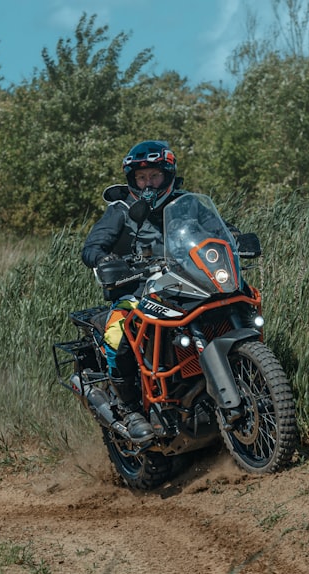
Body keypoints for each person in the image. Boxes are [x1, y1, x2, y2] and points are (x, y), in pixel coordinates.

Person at [80, 140, 187, 442]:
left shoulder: (183, 204)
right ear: (132, 181)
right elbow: (91, 248)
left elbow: (214, 231)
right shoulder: (121, 210)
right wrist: (104, 258)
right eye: (141, 178)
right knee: (118, 332)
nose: (148, 183)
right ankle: (128, 408)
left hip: (182, 288)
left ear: (166, 175)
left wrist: (232, 236)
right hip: (135, 293)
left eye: (153, 176)